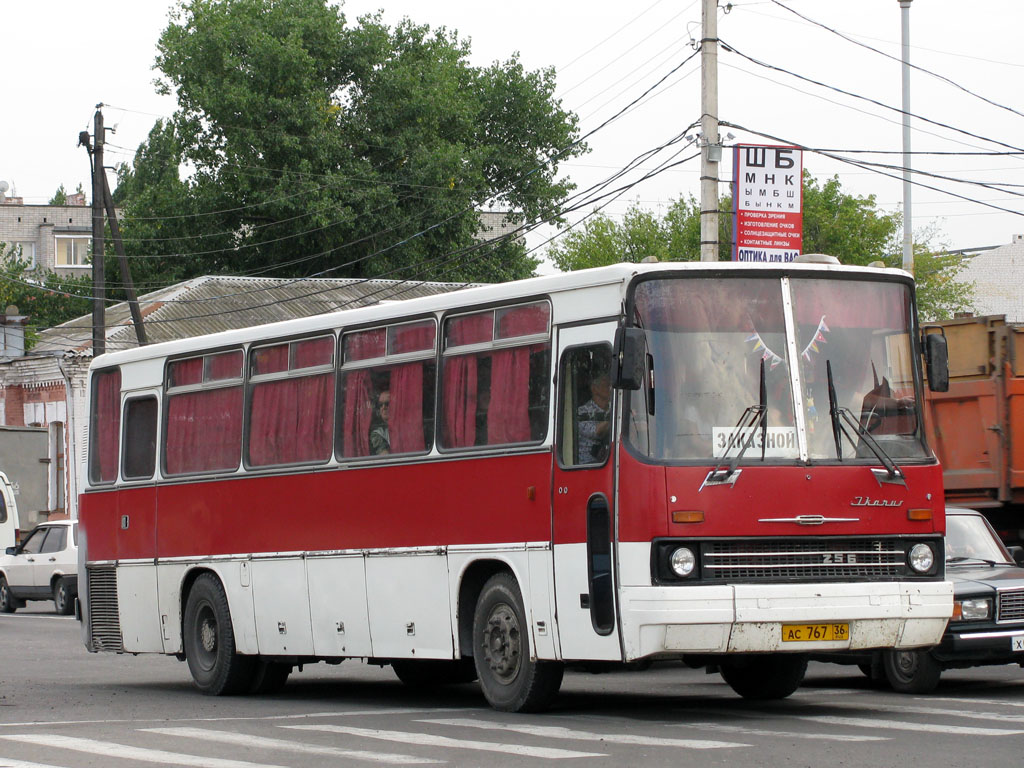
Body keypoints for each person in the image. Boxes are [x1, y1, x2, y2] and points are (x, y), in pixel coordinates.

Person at [577, 371, 611, 463]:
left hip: (610, 458)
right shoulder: (582, 411)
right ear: (594, 389)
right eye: (606, 385)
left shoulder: (613, 407)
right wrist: (611, 418)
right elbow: (596, 432)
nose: (610, 388)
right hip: (588, 464)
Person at [369, 389, 391, 455]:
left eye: (387, 404)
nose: (383, 407)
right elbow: (385, 457)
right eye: (380, 404)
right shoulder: (378, 433)